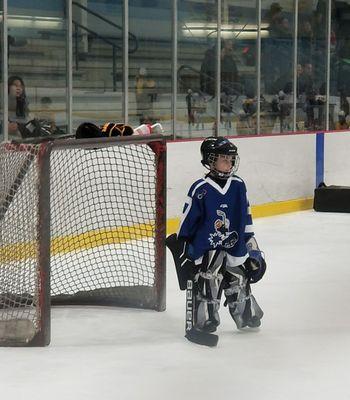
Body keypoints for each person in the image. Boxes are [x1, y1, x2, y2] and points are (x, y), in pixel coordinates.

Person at [168, 137, 265, 346]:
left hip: (235, 245)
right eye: (224, 159)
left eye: (231, 159)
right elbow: (187, 222)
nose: (229, 164)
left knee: (240, 279)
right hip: (209, 249)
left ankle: (246, 314)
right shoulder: (200, 188)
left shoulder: (238, 185)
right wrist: (185, 249)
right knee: (210, 280)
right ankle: (207, 320)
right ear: (211, 160)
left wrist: (254, 249)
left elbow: (246, 218)